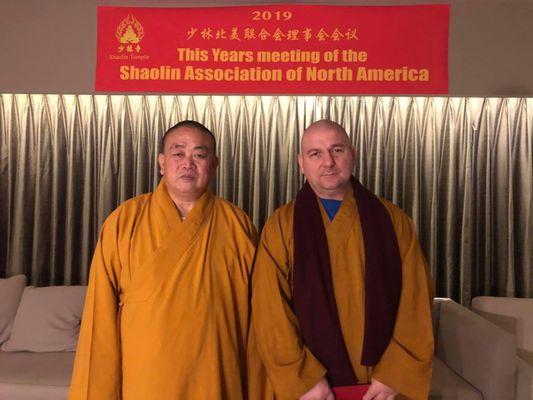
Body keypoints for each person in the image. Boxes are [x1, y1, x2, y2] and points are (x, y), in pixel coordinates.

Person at [69, 121, 258, 399]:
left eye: (199, 155)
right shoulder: (124, 221)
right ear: (161, 162)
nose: (188, 163)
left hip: (215, 375)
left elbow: (258, 319)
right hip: (146, 379)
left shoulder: (237, 224)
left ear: (214, 164)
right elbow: (100, 318)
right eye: (178, 153)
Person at [251, 120, 434, 400]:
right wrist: (303, 379)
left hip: (382, 384)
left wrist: (395, 372)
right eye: (316, 153)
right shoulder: (281, 225)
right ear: (302, 163)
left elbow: (416, 300)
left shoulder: (393, 220)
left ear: (353, 154)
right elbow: (270, 309)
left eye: (337, 150)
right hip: (312, 386)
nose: (328, 162)